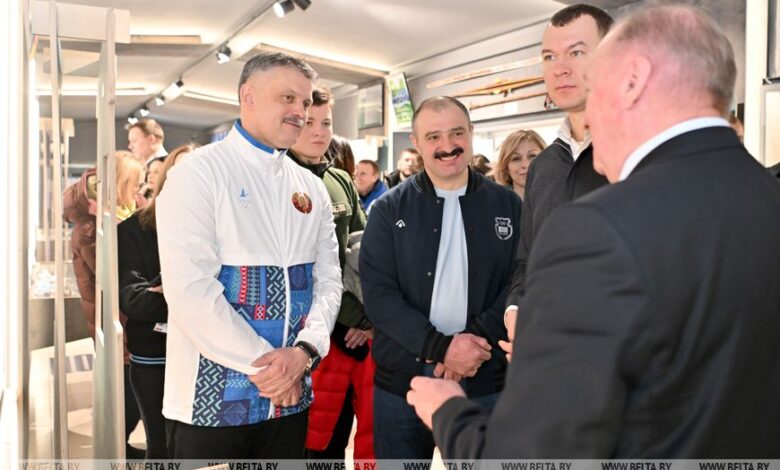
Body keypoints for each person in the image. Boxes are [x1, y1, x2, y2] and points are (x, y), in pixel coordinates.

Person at [407, 5, 780, 458]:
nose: (589, 117)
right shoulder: (767, 195)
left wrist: (449, 413)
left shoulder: (596, 227)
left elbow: (530, 455)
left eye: (595, 84)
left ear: (632, 81)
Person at [155, 52, 342, 459]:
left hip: (290, 398)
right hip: (211, 403)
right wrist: (273, 368)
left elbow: (329, 282)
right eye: (288, 98)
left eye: (305, 102)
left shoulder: (310, 186)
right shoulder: (199, 173)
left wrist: (305, 352)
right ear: (248, 97)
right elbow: (190, 292)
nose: (300, 112)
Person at [360, 96, 522, 460]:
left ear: (471, 133)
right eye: (433, 137)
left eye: (456, 133)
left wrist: (472, 345)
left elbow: (519, 282)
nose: (447, 145)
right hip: (404, 386)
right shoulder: (388, 209)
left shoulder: (509, 205)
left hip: (486, 381)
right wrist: (443, 349)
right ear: (416, 143)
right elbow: (379, 295)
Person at [504, 3, 613, 339]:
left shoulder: (641, 153)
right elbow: (527, 260)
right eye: (549, 57)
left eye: (576, 53)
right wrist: (516, 309)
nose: (559, 69)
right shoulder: (543, 165)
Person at [287, 86, 375, 461]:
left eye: (326, 123)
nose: (320, 132)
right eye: (310, 123)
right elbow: (299, 271)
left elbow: (363, 253)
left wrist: (369, 317)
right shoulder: (280, 179)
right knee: (309, 444)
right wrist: (356, 317)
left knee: (337, 439)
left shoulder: (340, 180)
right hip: (304, 335)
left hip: (352, 333)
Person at [63, 150, 146, 459]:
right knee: (127, 389)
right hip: (115, 318)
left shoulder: (113, 216)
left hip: (123, 315)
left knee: (130, 386)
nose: (139, 189)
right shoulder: (92, 226)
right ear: (122, 183)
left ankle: (119, 447)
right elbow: (109, 272)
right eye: (135, 182)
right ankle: (116, 449)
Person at [117, 144, 194, 460]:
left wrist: (167, 290)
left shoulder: (219, 228)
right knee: (161, 449)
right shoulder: (133, 230)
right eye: (180, 172)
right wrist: (191, 293)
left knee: (200, 453)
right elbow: (134, 300)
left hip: (205, 357)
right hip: (154, 356)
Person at [494, 130, 547, 200]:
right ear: (506, 167)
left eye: (532, 156)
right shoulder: (494, 203)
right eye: (516, 159)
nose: (525, 164)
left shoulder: (559, 198)